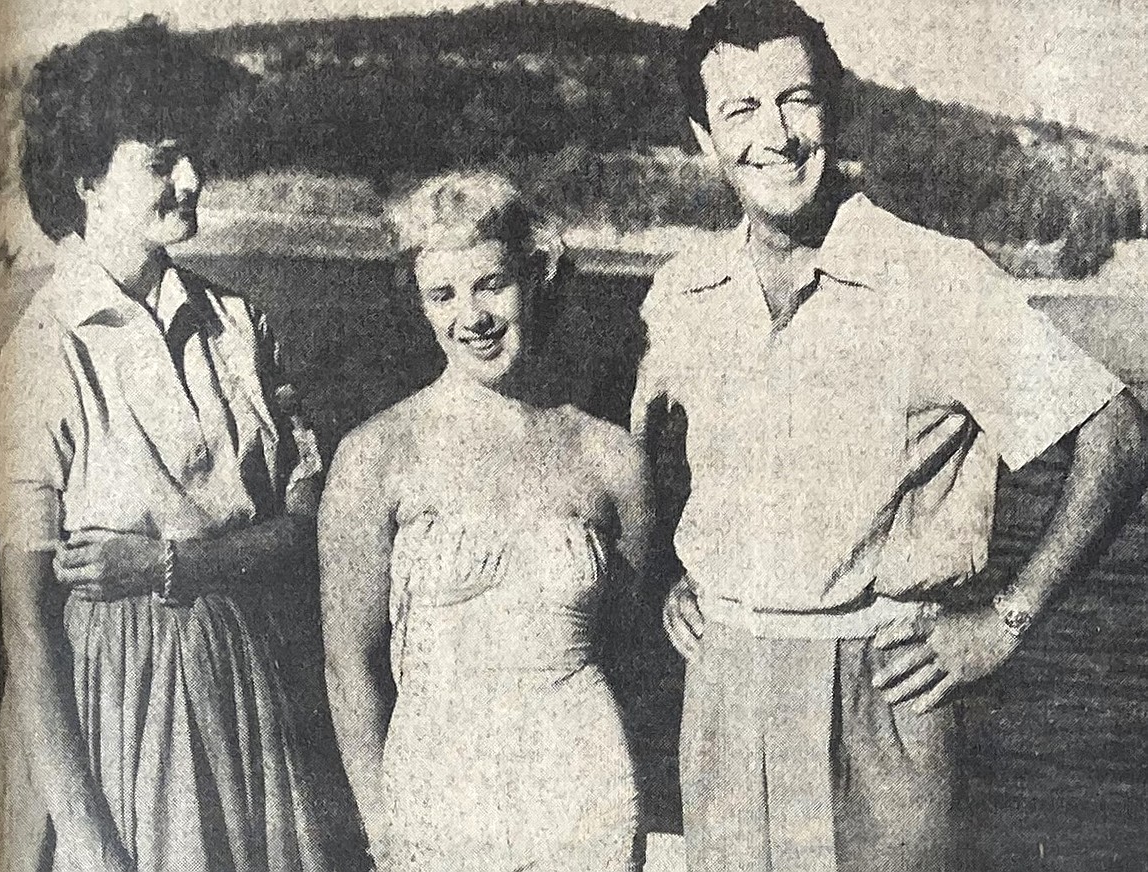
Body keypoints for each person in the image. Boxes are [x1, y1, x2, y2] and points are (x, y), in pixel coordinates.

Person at [630, 1, 1148, 870]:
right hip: (722, 693)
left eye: (797, 99)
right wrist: (671, 581)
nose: (778, 136)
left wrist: (1005, 622)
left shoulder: (934, 280)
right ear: (702, 138)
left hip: (885, 696)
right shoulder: (683, 293)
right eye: (741, 111)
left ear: (835, 109)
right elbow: (649, 445)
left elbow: (1118, 435)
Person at [0, 19, 327, 872]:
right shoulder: (44, 353)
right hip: (115, 724)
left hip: (247, 701)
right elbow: (26, 629)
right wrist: (91, 840)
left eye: (193, 155)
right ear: (85, 180)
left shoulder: (239, 325)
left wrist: (175, 567)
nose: (193, 178)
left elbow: (306, 527)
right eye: (163, 160)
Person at [319, 171, 653, 872]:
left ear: (535, 277)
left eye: (491, 283)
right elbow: (349, 663)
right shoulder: (376, 455)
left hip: (586, 795)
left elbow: (627, 649)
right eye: (442, 294)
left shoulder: (611, 458)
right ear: (420, 303)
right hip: (438, 803)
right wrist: (382, 826)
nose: (470, 316)